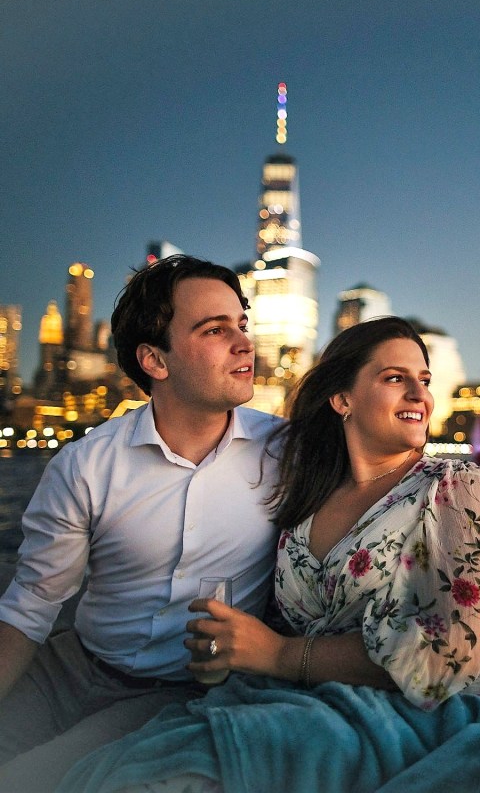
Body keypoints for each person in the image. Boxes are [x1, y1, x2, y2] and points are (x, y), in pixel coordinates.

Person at [58, 316, 480, 793]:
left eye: (424, 381)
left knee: (184, 772)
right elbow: (280, 623)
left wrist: (280, 655)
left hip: (426, 716)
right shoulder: (304, 497)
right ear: (342, 399)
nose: (419, 395)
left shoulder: (455, 488)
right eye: (395, 378)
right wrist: (231, 653)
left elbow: (447, 660)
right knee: (141, 766)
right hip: (302, 701)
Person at [0, 256, 282, 791]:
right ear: (154, 359)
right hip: (69, 666)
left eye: (241, 325)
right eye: (215, 330)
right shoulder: (86, 465)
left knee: (29, 780)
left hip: (179, 691)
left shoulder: (288, 454)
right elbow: (32, 604)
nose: (244, 343)